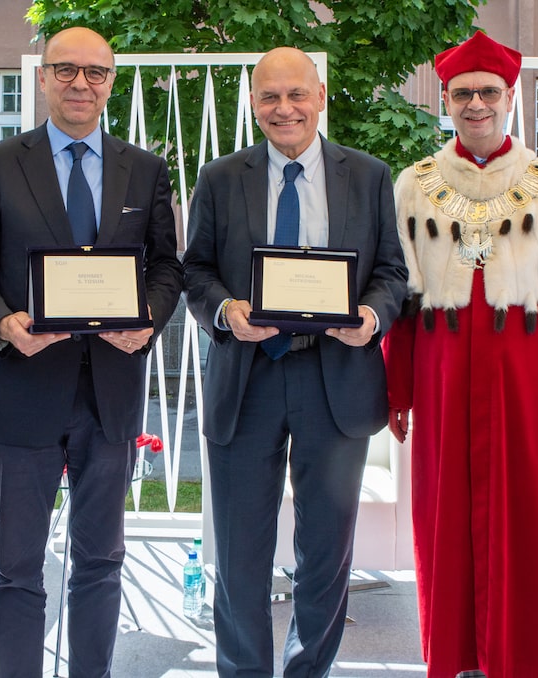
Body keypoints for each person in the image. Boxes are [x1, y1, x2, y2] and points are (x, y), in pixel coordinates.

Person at [0, 26, 183, 678]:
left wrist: (150, 320)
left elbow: (167, 267)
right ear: (44, 77)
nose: (82, 83)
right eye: (67, 70)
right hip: (24, 391)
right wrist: (5, 323)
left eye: (96, 73)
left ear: (110, 82)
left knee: (101, 560)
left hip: (111, 397)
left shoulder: (145, 168)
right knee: (17, 564)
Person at [383, 30, 538, 678]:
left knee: (535, 527)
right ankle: (457, 656)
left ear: (510, 96)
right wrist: (398, 389)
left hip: (529, 387)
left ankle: (532, 660)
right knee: (445, 521)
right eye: (462, 94)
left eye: (487, 92)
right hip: (444, 377)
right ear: (446, 101)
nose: (475, 104)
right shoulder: (415, 186)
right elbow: (398, 297)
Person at [182, 47, 407, 677]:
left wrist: (370, 317)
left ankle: (308, 670)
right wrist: (226, 310)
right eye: (270, 97)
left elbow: (390, 272)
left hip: (334, 377)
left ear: (321, 97)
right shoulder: (220, 178)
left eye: (296, 94)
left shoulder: (367, 175)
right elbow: (193, 269)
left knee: (326, 551)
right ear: (254, 104)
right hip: (246, 379)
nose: (285, 109)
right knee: (239, 550)